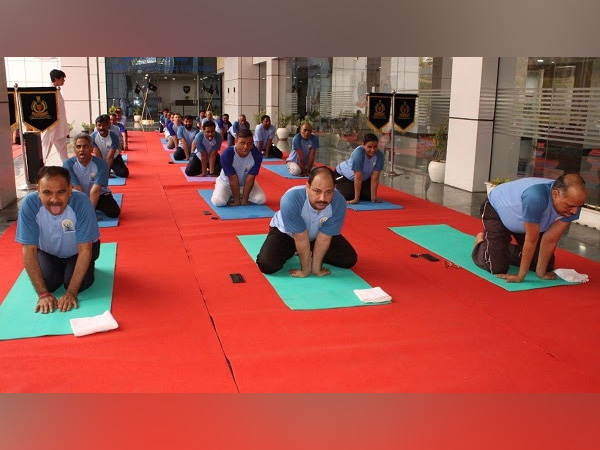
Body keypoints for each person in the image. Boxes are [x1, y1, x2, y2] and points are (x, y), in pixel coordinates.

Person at [15, 166, 101, 314]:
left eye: (61, 192)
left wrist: (71, 293)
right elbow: (29, 249)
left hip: (79, 252)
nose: (54, 200)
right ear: (38, 190)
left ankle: (75, 272)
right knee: (47, 283)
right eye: (47, 192)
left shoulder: (82, 202)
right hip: (48, 252)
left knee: (74, 284)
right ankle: (59, 271)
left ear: (70, 189)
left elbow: (85, 249)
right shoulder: (29, 204)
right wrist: (42, 294)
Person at [472, 174, 587, 282]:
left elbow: (550, 239)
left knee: (546, 265)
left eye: (579, 206)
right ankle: (482, 243)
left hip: (525, 222)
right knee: (496, 267)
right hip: (497, 211)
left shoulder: (574, 204)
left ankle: (500, 248)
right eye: (570, 206)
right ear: (555, 194)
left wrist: (541, 273)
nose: (575, 211)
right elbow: (531, 240)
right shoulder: (536, 197)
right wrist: (520, 276)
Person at [256, 166, 357, 276]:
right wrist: (305, 270)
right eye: (317, 191)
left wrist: (316, 269)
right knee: (267, 264)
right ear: (308, 187)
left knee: (348, 259)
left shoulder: (339, 202)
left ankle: (307, 252)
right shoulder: (291, 199)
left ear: (334, 188)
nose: (322, 198)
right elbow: (300, 238)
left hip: (316, 235)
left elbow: (324, 238)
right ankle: (295, 251)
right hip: (286, 234)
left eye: (328, 192)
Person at [63, 133, 120, 218]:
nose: (81, 150)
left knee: (113, 212)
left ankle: (94, 206)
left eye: (85, 146)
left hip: (99, 194)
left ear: (91, 149)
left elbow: (95, 191)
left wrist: (90, 213)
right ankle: (89, 206)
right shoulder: (68, 164)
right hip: (78, 194)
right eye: (78, 147)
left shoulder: (101, 164)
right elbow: (77, 188)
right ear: (74, 149)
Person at [211, 129, 265, 206]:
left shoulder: (257, 155)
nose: (246, 147)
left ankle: (239, 195)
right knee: (219, 202)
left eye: (249, 143)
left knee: (261, 199)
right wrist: (237, 201)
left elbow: (250, 178)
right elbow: (233, 179)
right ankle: (232, 195)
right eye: (242, 143)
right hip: (227, 183)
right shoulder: (227, 154)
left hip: (245, 184)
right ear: (236, 141)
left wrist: (245, 200)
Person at [334, 133, 384, 203]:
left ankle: (358, 193)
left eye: (375, 147)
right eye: (369, 147)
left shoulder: (379, 155)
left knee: (368, 196)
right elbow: (358, 176)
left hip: (362, 179)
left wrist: (373, 198)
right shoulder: (359, 153)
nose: (372, 150)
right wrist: (356, 199)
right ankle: (336, 186)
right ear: (363, 145)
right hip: (343, 176)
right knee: (348, 195)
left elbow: (375, 177)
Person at [41, 69, 69, 162]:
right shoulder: (49, 91)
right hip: (52, 126)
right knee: (45, 149)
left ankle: (67, 168)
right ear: (56, 79)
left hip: (59, 125)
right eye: (62, 79)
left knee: (62, 150)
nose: (63, 81)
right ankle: (38, 167)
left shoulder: (56, 90)